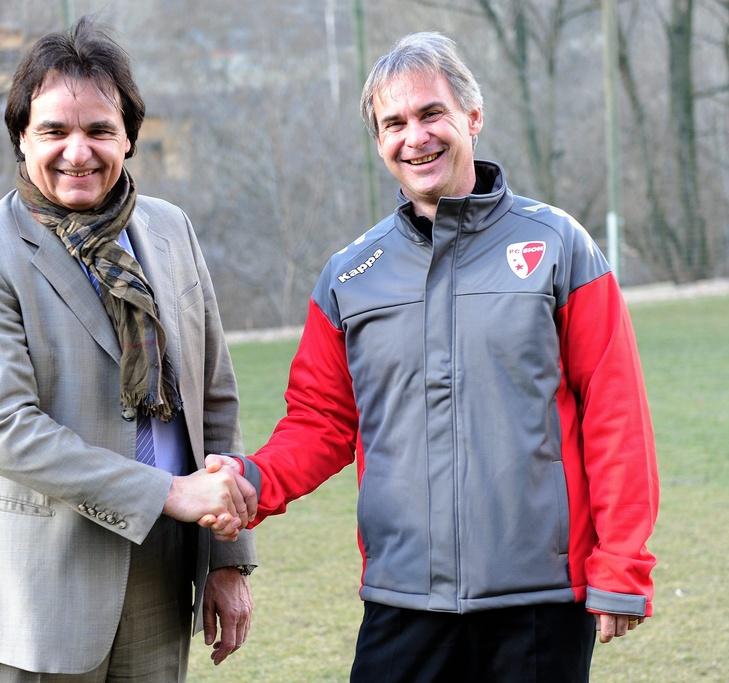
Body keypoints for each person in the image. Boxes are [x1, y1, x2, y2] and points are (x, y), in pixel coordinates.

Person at [213, 32, 659, 682]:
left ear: (472, 118)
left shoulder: (560, 247)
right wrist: (252, 481)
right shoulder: (349, 276)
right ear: (378, 143)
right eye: (393, 123)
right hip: (402, 599)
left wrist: (621, 564)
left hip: (539, 599)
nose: (414, 137)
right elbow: (321, 423)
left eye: (430, 114)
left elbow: (617, 416)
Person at [0, 19, 256, 682]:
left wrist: (226, 556)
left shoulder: (171, 230)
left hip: (162, 577)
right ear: (21, 136)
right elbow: (8, 432)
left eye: (99, 130)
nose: (78, 151)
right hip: (36, 589)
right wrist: (169, 492)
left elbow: (213, 398)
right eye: (53, 130)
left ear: (129, 136)